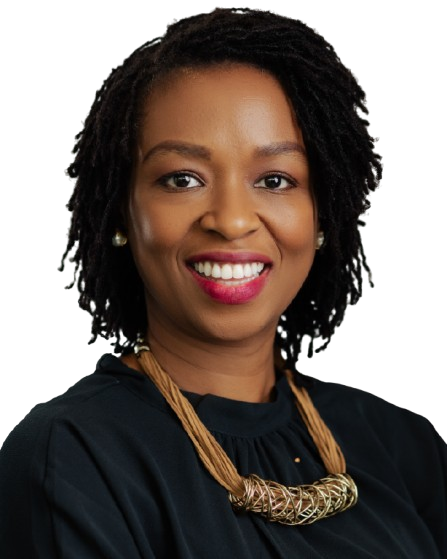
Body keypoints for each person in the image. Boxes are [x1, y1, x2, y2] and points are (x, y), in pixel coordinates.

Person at [1, 7, 445, 558]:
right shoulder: (70, 455)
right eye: (182, 179)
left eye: (275, 180)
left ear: (323, 215)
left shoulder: (405, 446)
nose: (231, 221)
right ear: (120, 213)